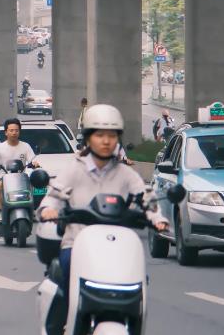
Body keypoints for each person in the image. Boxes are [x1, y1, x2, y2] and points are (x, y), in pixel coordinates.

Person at [38, 104, 168, 293]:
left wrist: (158, 220)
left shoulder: (125, 173)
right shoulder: (74, 170)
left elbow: (146, 196)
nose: (106, 141)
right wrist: (49, 210)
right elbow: (54, 196)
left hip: (117, 245)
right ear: (89, 138)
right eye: (100, 135)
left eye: (112, 136)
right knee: (65, 268)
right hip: (77, 243)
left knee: (139, 277)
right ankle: (62, 320)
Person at [0, 118, 39, 218]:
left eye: (16, 130)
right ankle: (1, 212)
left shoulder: (26, 146)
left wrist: (35, 163)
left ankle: (30, 209)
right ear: (6, 132)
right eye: (11, 130)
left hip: (20, 177)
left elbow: (32, 160)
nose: (14, 133)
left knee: (30, 183)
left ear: (19, 132)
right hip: (3, 177)